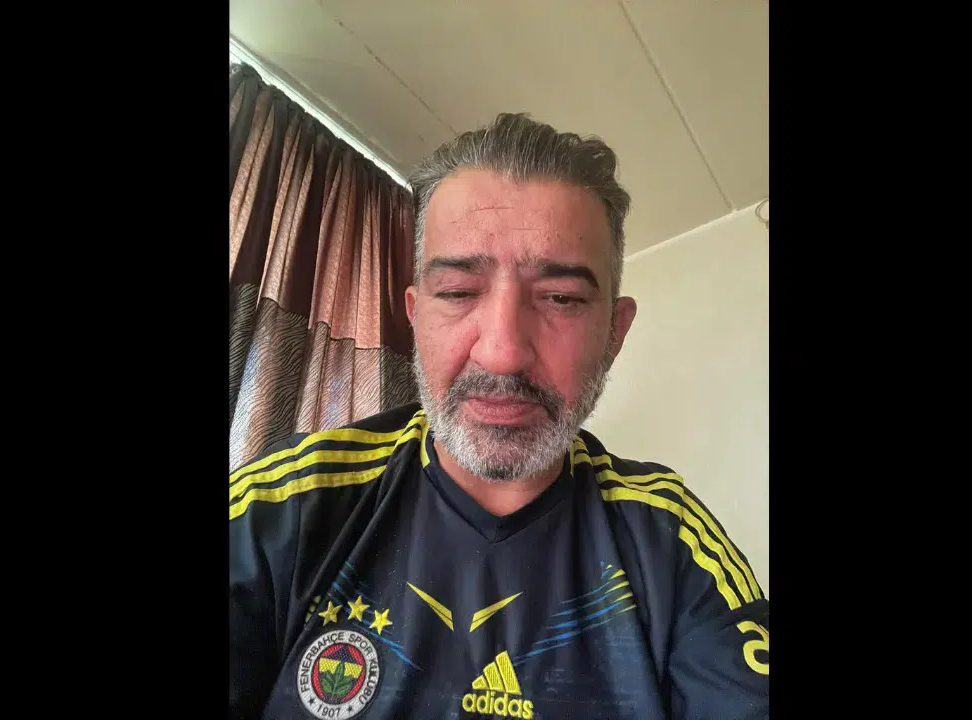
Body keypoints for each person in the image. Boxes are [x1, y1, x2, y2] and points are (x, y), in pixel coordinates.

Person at [230, 113, 768, 720]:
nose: (502, 352)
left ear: (614, 333)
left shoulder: (671, 540)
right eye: (459, 292)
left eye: (560, 298)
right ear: (416, 316)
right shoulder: (285, 504)